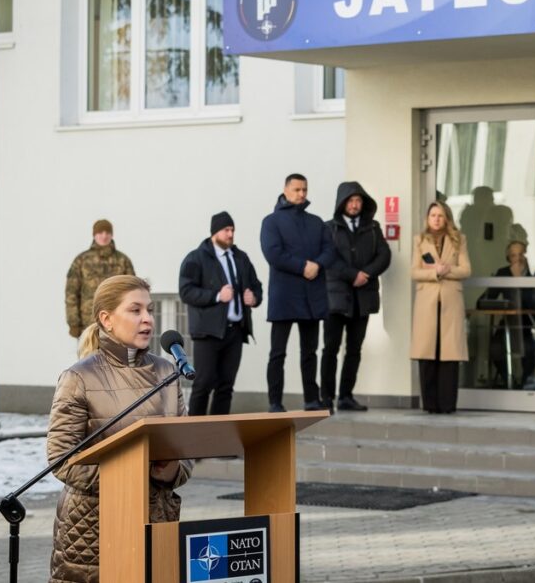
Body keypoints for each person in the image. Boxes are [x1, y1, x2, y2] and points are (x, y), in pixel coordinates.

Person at [46, 275, 193, 582]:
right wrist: (129, 477)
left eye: (149, 310)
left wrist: (170, 469)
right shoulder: (79, 378)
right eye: (135, 310)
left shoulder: (167, 372)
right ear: (107, 319)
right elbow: (61, 458)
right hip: (94, 528)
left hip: (157, 520)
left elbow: (186, 451)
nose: (147, 320)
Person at [260, 174, 335, 413]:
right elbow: (273, 253)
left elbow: (330, 249)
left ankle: (312, 399)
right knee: (278, 353)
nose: (301, 194)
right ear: (285, 189)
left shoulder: (316, 222)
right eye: (296, 189)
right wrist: (303, 266)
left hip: (311, 296)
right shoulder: (271, 221)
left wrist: (318, 264)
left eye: (304, 189)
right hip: (284, 296)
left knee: (309, 352)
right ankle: (275, 402)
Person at [179, 211, 263, 416]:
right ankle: (194, 432)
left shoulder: (240, 257)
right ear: (215, 232)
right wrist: (216, 296)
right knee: (203, 383)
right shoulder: (196, 258)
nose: (230, 234)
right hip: (208, 332)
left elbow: (256, 286)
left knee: (226, 386)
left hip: (235, 332)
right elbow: (186, 291)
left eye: (232, 230)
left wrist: (254, 298)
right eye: (226, 230)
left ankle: (219, 434)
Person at [321, 182, 392, 412]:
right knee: (330, 349)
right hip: (335, 299)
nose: (354, 205)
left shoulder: (373, 228)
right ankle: (326, 398)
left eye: (358, 201)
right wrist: (353, 275)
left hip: (362, 298)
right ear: (342, 203)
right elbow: (328, 258)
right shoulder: (329, 228)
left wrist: (367, 273)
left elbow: (384, 255)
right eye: (350, 200)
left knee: (354, 349)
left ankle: (346, 396)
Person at [410, 201, 471, 413]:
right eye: (433, 215)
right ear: (428, 218)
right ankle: (430, 404)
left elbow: (466, 270)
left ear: (447, 218)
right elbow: (414, 272)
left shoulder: (458, 240)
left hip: (450, 301)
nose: (436, 219)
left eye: (440, 215)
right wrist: (434, 273)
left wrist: (446, 270)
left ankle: (447, 404)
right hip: (427, 303)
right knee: (427, 352)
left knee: (449, 354)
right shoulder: (419, 240)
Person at [483, 240, 535, 388]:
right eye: (513, 255)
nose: (517, 259)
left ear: (527, 256)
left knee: (528, 350)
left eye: (521, 254)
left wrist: (519, 282)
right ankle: (509, 383)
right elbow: (485, 298)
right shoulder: (503, 273)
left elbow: (534, 303)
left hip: (530, 325)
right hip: (509, 323)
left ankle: (524, 385)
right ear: (508, 258)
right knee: (495, 348)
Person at [64, 219, 135, 339]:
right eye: (100, 233)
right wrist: (74, 323)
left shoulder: (123, 260)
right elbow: (71, 293)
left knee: (116, 358)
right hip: (88, 325)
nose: (104, 236)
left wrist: (131, 318)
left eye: (107, 233)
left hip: (117, 324)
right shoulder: (81, 261)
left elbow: (132, 292)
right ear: (94, 235)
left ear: (112, 235)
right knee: (90, 357)